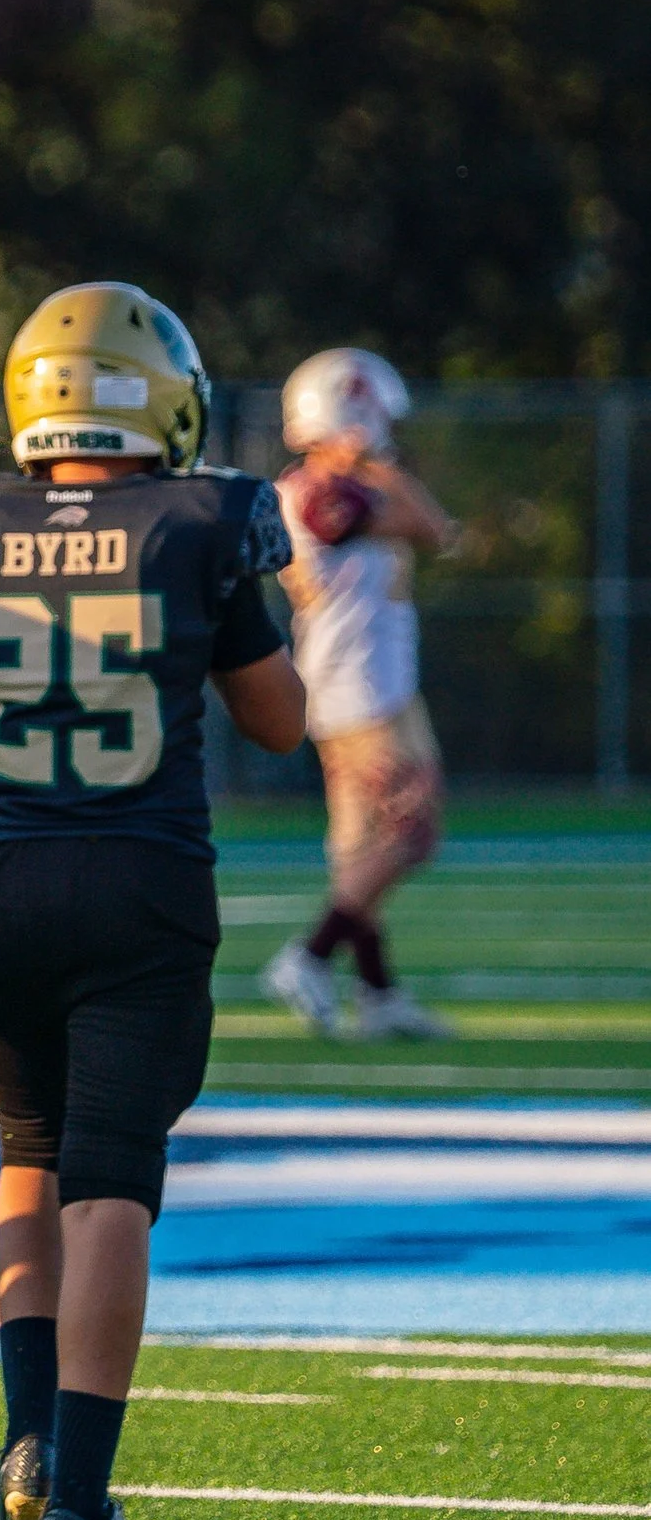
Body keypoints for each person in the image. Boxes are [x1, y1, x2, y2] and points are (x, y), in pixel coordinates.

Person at [0, 283, 306, 1520]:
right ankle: (84, 1498)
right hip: (143, 882)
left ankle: (27, 1450)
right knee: (114, 1182)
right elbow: (278, 721)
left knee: (28, 1157)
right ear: (161, 396)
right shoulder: (204, 521)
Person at [259, 349, 458, 1041]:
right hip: (363, 688)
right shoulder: (324, 494)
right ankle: (311, 957)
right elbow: (435, 527)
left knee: (361, 849)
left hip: (359, 683)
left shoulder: (329, 490)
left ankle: (377, 993)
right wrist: (373, 463)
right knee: (412, 830)